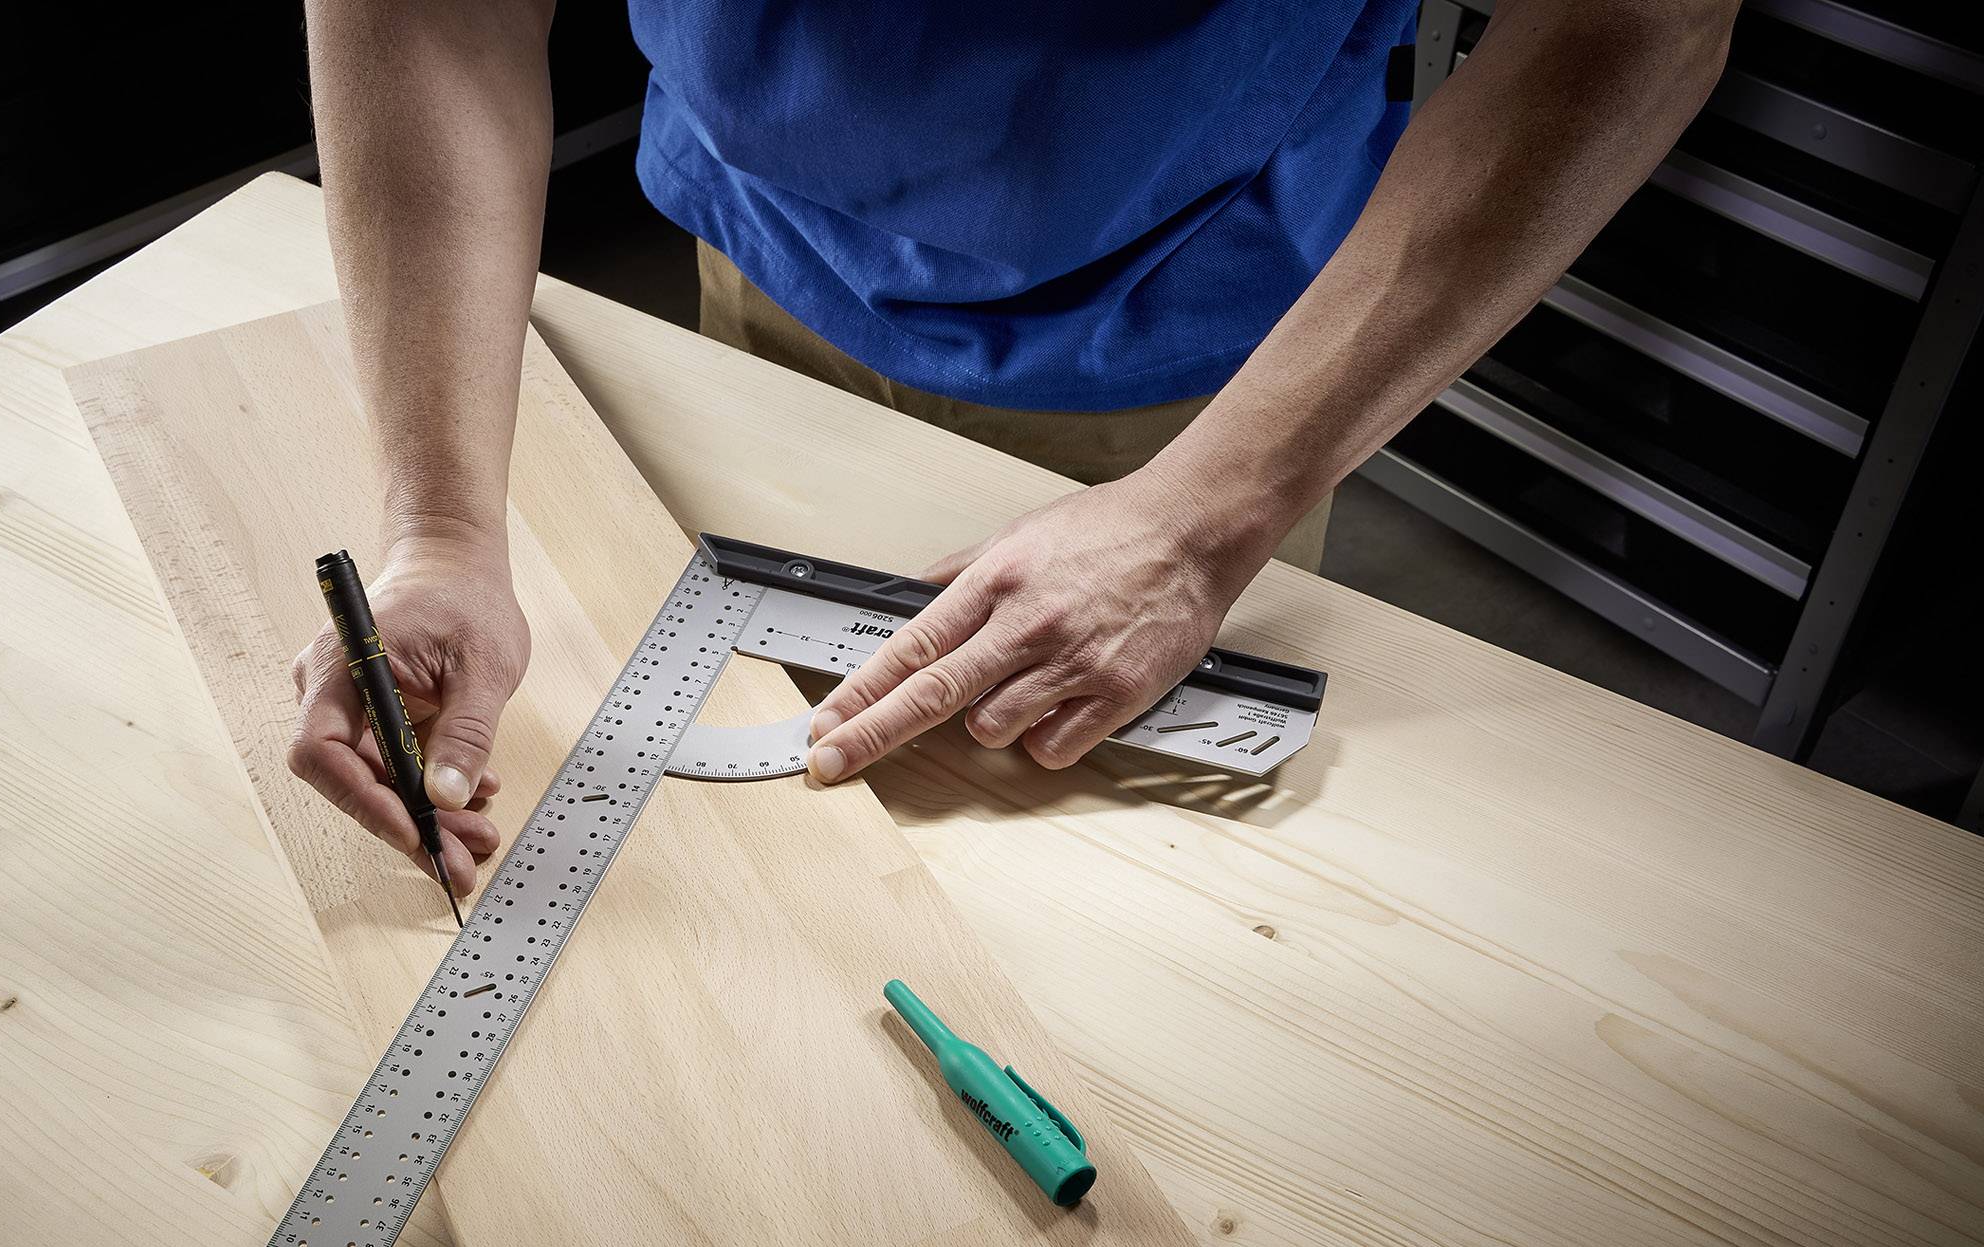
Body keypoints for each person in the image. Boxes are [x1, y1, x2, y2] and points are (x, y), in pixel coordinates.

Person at [291, 0, 1740, 893]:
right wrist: (442, 526)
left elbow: (1634, 19)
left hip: (1194, 359)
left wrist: (1201, 521)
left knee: (1103, 897)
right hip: (764, 258)